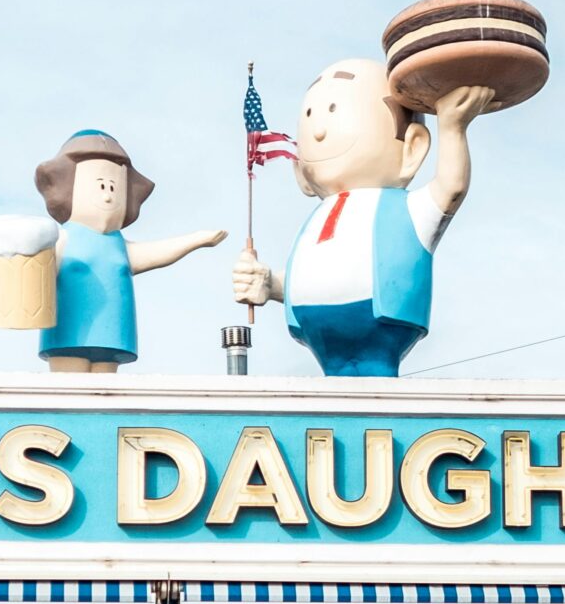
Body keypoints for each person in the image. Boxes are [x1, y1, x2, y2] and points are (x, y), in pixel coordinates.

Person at [230, 61, 494, 377]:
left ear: (413, 148)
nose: (319, 130)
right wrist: (271, 284)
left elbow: (451, 188)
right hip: (319, 337)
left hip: (382, 323)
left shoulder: (404, 208)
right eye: (312, 115)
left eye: (333, 111)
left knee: (374, 400)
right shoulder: (318, 217)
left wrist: (452, 129)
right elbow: (313, 273)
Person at [30, 130, 226, 373]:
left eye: (113, 186)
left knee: (106, 396)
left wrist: (196, 239)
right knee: (72, 389)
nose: (107, 194)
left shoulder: (118, 245)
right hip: (67, 335)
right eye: (101, 185)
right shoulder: (62, 238)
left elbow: (153, 253)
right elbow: (36, 271)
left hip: (112, 337)